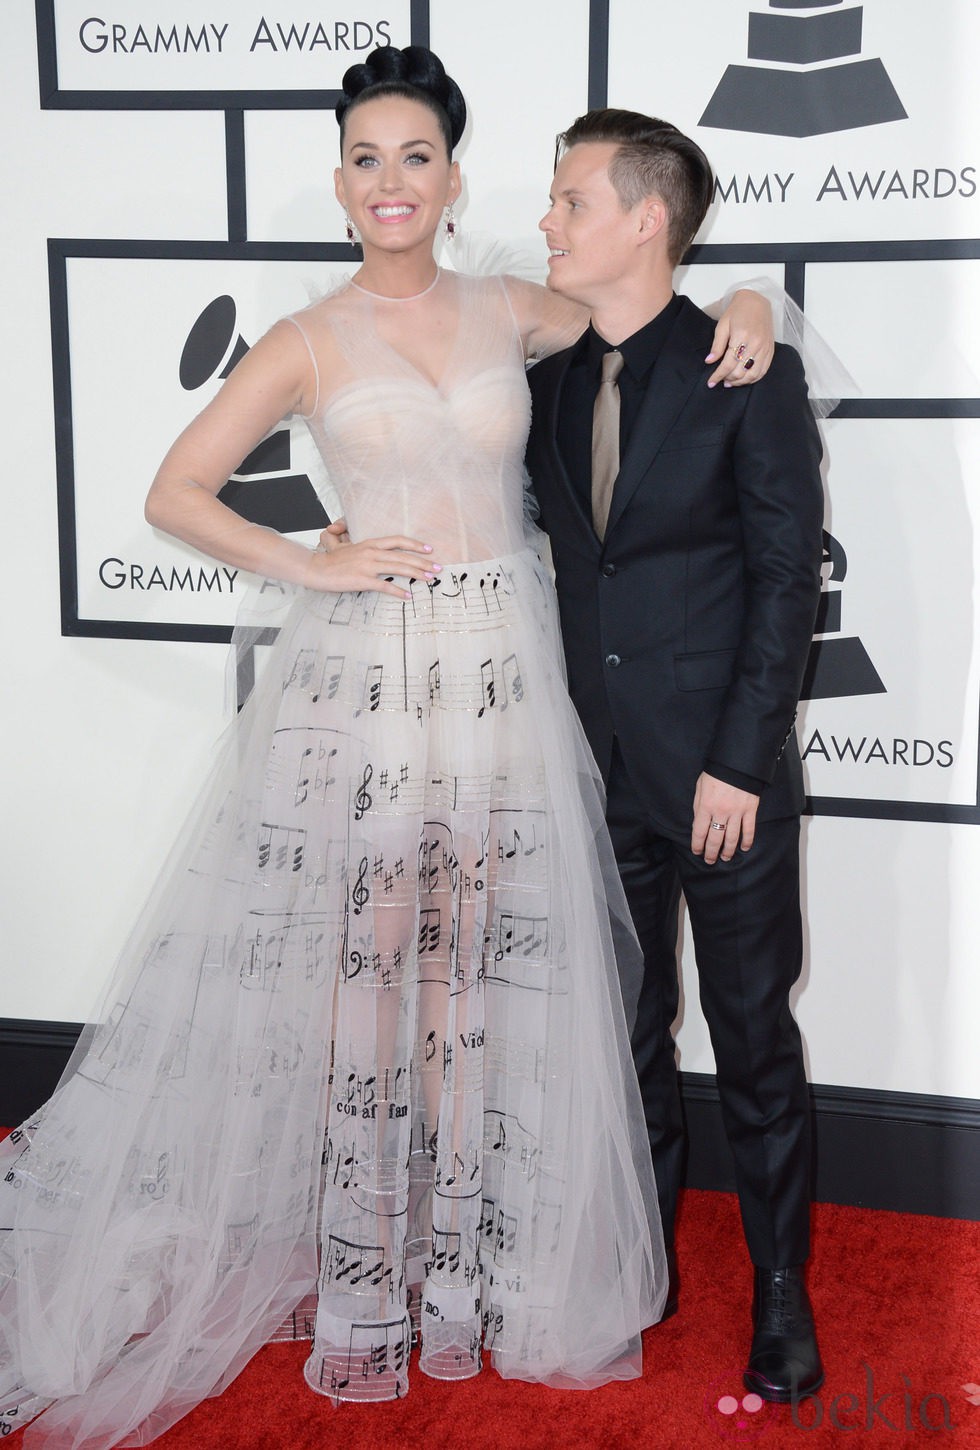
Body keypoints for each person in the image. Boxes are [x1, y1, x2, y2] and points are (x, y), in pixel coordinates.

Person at [0, 48, 774, 1448]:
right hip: (364, 693)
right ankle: (367, 1286)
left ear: (453, 178)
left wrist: (748, 296)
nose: (391, 181)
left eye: (416, 155)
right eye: (366, 158)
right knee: (370, 988)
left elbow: (636, 315)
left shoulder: (507, 306)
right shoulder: (305, 336)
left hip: (503, 688)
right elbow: (175, 490)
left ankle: (461, 1274)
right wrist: (311, 563)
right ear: (343, 183)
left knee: (472, 986)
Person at [524, 110, 825, 1403]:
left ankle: (780, 1292)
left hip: (721, 777)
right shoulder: (540, 380)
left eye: (571, 199)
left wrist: (739, 764)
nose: (546, 219)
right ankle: (639, 1269)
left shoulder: (743, 367)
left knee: (753, 1037)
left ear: (646, 220)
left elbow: (782, 580)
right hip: (594, 772)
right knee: (628, 1038)